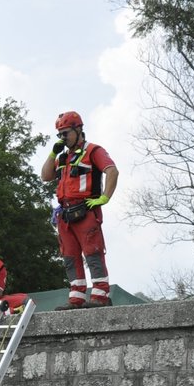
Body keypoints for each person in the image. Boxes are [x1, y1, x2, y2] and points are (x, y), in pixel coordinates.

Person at [40, 111, 119, 308]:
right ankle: (76, 298)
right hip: (65, 215)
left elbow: (112, 170)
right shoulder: (63, 157)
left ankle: (100, 296)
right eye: (60, 134)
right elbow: (45, 176)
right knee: (69, 256)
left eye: (65, 133)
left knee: (93, 253)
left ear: (78, 130)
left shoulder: (93, 151)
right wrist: (53, 153)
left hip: (85, 211)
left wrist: (105, 197)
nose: (63, 138)